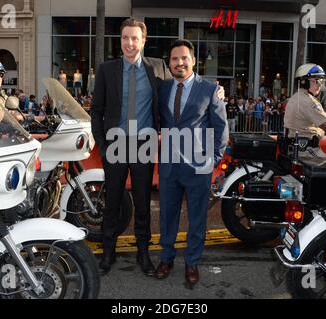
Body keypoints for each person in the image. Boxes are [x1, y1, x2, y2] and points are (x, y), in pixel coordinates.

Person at [90, 18, 173, 277]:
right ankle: (108, 252)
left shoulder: (158, 68)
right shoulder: (107, 69)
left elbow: (182, 85)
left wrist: (213, 91)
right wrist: (102, 146)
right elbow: (96, 110)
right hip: (115, 143)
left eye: (134, 38)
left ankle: (143, 253)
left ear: (143, 41)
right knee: (112, 201)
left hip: (143, 144)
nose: (129, 43)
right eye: (125, 38)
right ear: (121, 40)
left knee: (142, 203)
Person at [154, 39, 228, 285]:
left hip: (199, 166)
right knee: (167, 215)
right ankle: (166, 258)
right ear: (170, 63)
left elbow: (221, 127)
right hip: (168, 165)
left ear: (193, 61)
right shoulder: (163, 88)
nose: (179, 63)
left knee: (197, 217)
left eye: (184, 58)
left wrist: (214, 159)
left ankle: (192, 262)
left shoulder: (209, 90)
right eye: (175, 59)